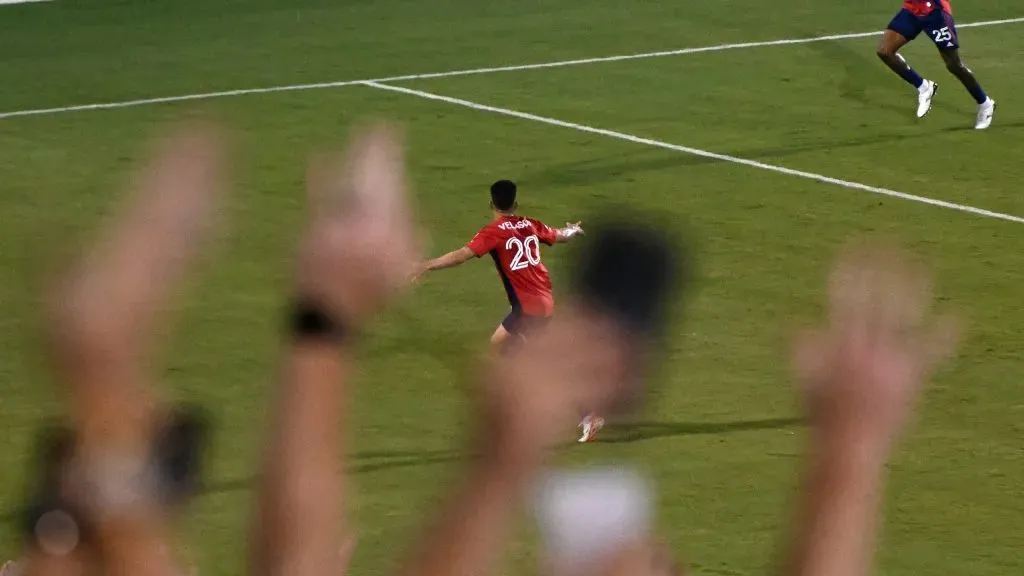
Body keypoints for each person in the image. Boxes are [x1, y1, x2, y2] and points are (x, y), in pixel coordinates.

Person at [412, 180, 600, 442]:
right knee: (499, 347)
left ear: (491, 204)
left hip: (529, 309)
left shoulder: (493, 232)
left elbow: (462, 255)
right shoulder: (529, 224)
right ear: (516, 203)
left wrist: (427, 265)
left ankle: (583, 414)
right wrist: (573, 230)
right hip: (540, 302)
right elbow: (558, 235)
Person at [876, 0, 995, 129]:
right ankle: (924, 87)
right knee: (885, 52)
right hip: (912, 9)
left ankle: (985, 104)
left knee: (954, 65)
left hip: (935, 12)